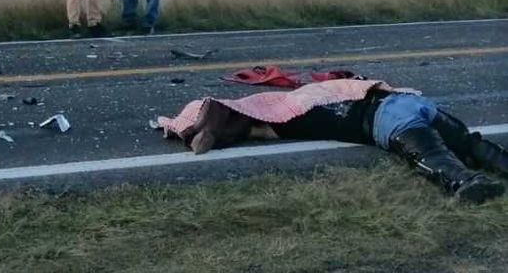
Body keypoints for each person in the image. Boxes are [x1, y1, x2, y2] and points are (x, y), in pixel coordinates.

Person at [158, 78, 508, 204]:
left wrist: (208, 132)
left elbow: (220, 135)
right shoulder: (303, 97)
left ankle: (467, 183)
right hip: (407, 100)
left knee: (431, 156)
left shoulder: (280, 118)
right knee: (468, 143)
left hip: (387, 117)